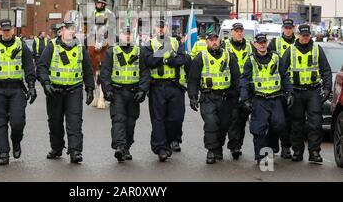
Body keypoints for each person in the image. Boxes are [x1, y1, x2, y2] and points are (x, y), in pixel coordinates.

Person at [0, 19, 37, 166]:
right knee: (0, 123)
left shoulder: (21, 44)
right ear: (0, 30)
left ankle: (16, 141)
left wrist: (31, 86)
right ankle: (3, 153)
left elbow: (29, 67)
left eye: (8, 30)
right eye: (4, 30)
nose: (6, 32)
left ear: (13, 30)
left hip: (16, 89)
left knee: (18, 122)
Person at [37, 20, 95, 164]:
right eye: (69, 29)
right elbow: (42, 67)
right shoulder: (51, 46)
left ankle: (75, 151)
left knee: (74, 122)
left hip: (74, 90)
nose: (72, 32)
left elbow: (87, 70)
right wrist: (45, 83)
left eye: (74, 29)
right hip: (55, 91)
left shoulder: (80, 48)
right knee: (55, 122)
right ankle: (56, 148)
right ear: (62, 30)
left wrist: (90, 89)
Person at [281, 24, 333, 163]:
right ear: (298, 35)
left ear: (310, 35)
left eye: (307, 35)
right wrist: (287, 92)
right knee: (296, 124)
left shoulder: (317, 49)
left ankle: (314, 152)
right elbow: (282, 72)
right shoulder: (290, 50)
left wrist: (327, 89)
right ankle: (297, 151)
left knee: (315, 123)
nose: (305, 38)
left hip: (313, 92)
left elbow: (326, 71)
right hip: (296, 92)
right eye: (303, 35)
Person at [188, 31, 240, 164]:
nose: (214, 42)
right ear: (207, 42)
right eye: (211, 40)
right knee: (211, 123)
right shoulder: (201, 57)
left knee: (224, 125)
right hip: (208, 97)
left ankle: (218, 148)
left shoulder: (229, 57)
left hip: (225, 98)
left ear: (220, 41)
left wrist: (236, 96)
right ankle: (211, 150)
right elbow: (193, 79)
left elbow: (236, 78)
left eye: (216, 39)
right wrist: (193, 97)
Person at [239, 33, 293, 163]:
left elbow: (284, 76)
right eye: (260, 42)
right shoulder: (250, 60)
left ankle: (272, 144)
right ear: (255, 44)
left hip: (276, 98)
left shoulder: (276, 57)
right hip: (259, 99)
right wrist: (244, 99)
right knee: (258, 129)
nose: (262, 45)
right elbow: (244, 80)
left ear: (267, 43)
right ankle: (261, 156)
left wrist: (289, 93)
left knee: (279, 124)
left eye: (264, 42)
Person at [100, 26, 150, 162]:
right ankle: (119, 147)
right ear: (120, 36)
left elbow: (145, 73)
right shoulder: (112, 52)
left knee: (130, 123)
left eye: (129, 34)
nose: (127, 37)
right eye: (124, 34)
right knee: (118, 119)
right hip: (117, 92)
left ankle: (126, 147)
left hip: (134, 93)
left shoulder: (139, 52)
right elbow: (105, 73)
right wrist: (107, 90)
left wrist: (142, 90)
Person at [143, 19, 188, 162]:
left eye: (163, 27)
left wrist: (165, 60)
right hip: (157, 86)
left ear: (167, 28)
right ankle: (160, 148)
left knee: (175, 118)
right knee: (158, 119)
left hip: (174, 86)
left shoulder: (176, 42)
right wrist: (165, 52)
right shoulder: (149, 44)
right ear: (155, 29)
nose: (161, 29)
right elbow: (148, 61)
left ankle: (169, 142)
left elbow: (182, 60)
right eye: (158, 27)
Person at [267, 18, 296, 158]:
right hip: (277, 86)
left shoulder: (299, 42)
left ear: (293, 28)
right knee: (275, 119)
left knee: (288, 120)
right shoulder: (275, 43)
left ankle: (286, 147)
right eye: (286, 27)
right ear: (283, 28)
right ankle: (273, 144)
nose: (288, 30)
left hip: (293, 86)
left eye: (290, 27)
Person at [225, 22, 254, 159]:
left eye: (241, 31)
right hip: (231, 88)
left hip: (246, 89)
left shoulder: (250, 46)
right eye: (237, 31)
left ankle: (238, 144)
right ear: (232, 32)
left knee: (242, 120)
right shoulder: (225, 46)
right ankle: (234, 146)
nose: (239, 33)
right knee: (233, 119)